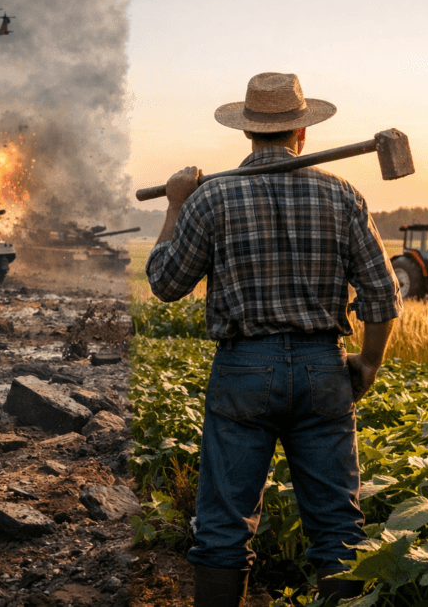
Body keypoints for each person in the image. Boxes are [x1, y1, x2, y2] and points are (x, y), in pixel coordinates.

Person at [146, 73, 403, 606]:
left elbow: (166, 284)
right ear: (302, 133)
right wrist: (369, 363)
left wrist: (175, 204)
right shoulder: (342, 195)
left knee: (223, 526)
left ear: (247, 132)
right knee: (338, 528)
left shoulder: (210, 198)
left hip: (243, 371)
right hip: (323, 368)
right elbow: (382, 293)